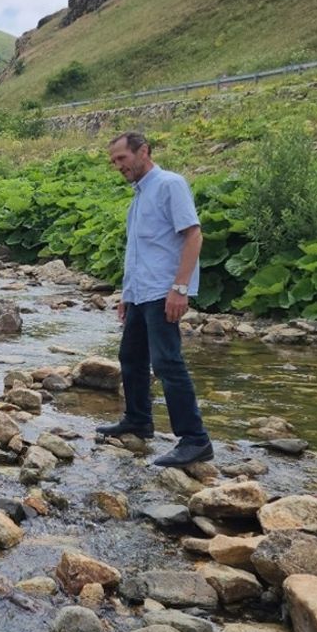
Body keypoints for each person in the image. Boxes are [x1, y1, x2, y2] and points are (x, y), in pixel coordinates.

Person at [96, 131, 212, 467]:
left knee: (167, 362)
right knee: (130, 357)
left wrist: (180, 288)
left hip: (163, 292)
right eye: (114, 161)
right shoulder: (138, 196)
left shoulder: (169, 184)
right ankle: (139, 420)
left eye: (122, 158)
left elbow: (193, 235)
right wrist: (126, 295)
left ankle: (195, 439)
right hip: (141, 293)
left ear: (143, 151)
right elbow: (139, 252)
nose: (118, 166)